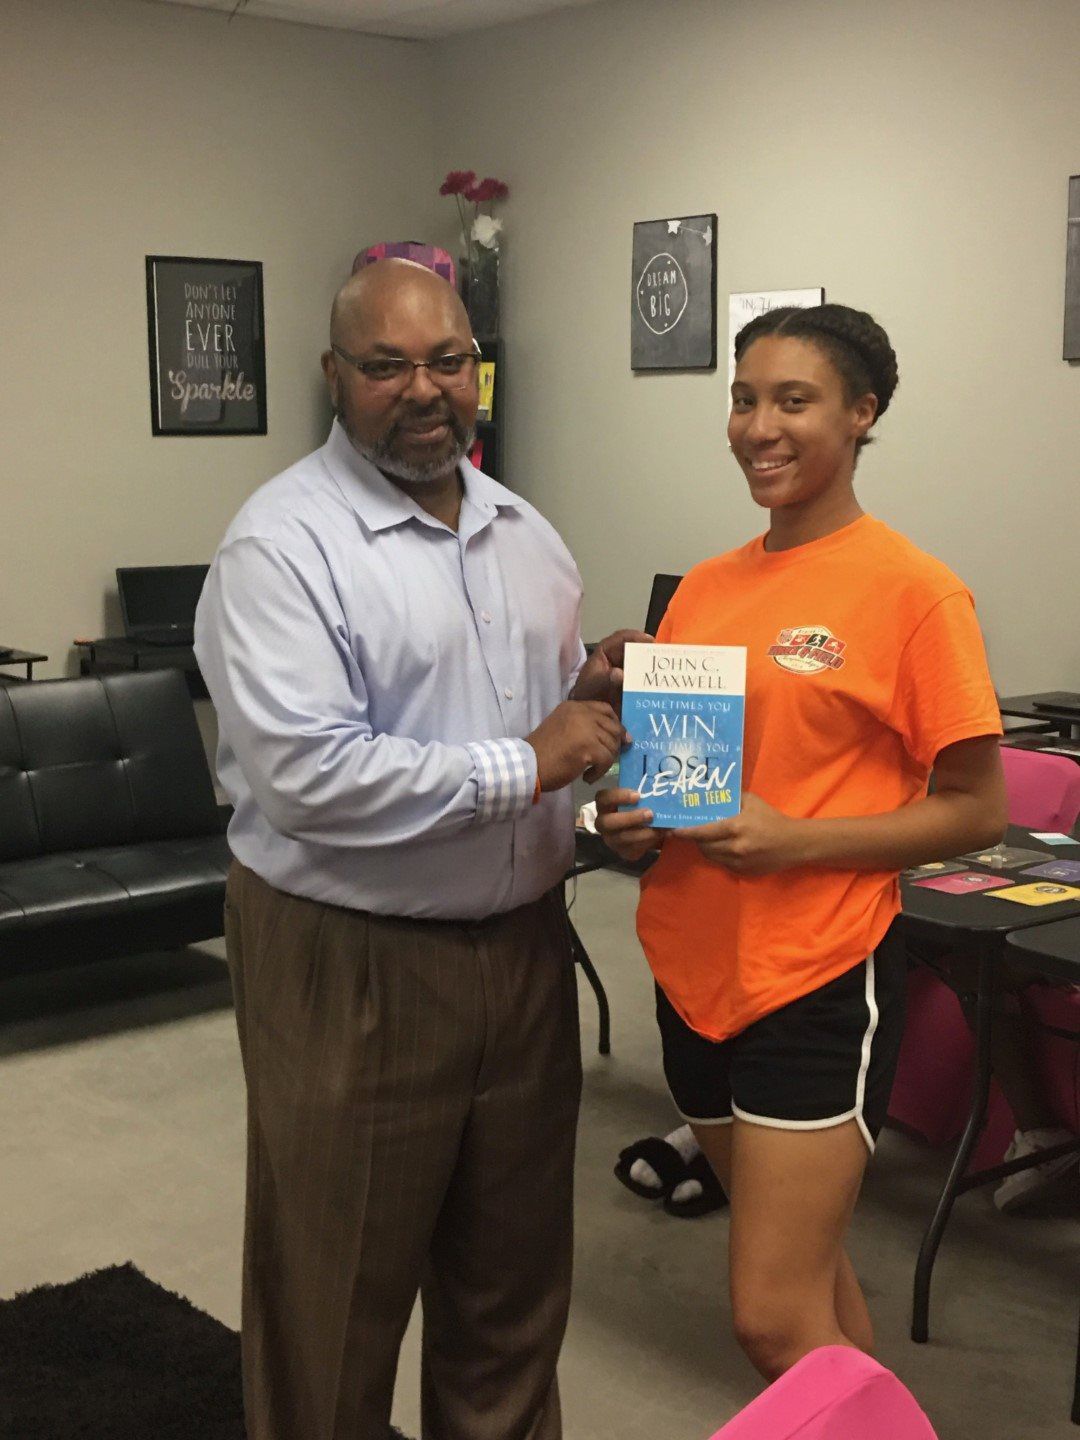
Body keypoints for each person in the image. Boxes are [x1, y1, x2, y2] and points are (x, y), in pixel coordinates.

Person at [195, 257, 645, 1440]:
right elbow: (309, 778)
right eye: (386, 365)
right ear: (333, 374)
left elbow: (534, 726)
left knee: (512, 1297)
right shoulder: (282, 548)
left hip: (526, 955)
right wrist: (532, 759)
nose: (424, 389)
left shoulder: (526, 536)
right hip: (350, 962)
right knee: (332, 1302)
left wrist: (588, 701)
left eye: (449, 361)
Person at [596, 302, 1007, 1382]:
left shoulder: (916, 593)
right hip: (691, 975)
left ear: (861, 414)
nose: (759, 428)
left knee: (772, 1319)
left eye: (793, 401)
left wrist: (797, 841)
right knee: (812, 1292)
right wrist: (629, 823)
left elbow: (978, 810)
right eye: (744, 400)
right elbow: (677, 782)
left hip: (815, 979)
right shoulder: (704, 588)